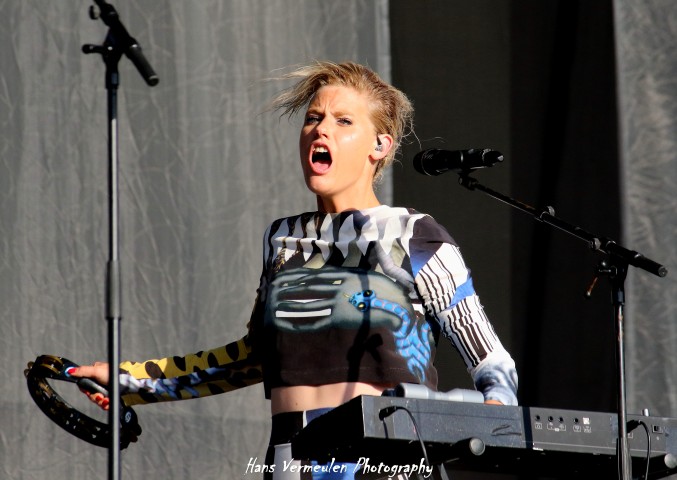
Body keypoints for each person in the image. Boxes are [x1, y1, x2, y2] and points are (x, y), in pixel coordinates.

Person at [71, 61, 518, 479]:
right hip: (290, 458)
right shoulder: (281, 239)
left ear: (380, 146)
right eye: (313, 118)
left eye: (343, 121)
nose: (321, 129)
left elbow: (492, 363)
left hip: (387, 460)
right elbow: (254, 357)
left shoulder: (415, 235)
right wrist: (131, 381)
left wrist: (491, 413)